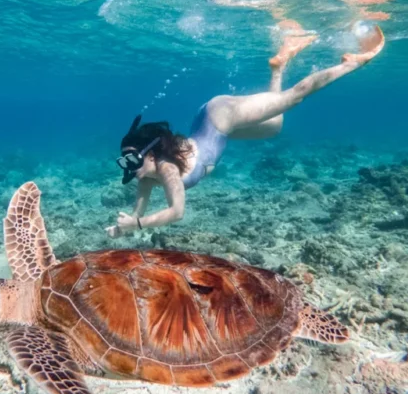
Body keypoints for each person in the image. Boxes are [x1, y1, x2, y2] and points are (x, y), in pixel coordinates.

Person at [105, 21, 385, 238]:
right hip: (214, 130)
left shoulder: (166, 170)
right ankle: (280, 65)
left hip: (220, 116)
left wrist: (138, 225)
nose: (129, 167)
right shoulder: (145, 178)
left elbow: (177, 212)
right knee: (275, 126)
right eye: (124, 161)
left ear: (151, 153)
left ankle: (351, 63)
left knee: (294, 97)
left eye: (132, 158)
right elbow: (135, 213)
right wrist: (123, 228)